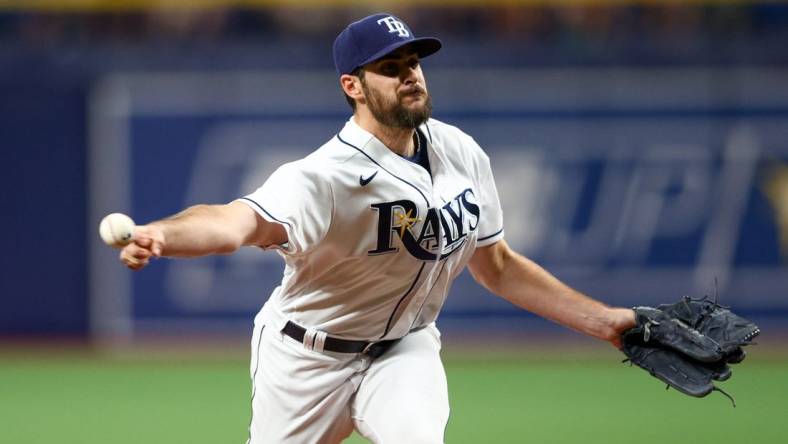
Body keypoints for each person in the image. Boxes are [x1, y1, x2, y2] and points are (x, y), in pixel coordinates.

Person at [119, 13, 636, 444]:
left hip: (404, 348)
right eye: (391, 67)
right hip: (305, 359)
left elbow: (496, 266)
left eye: (413, 62)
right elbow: (236, 222)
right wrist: (163, 235)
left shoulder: (459, 150)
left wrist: (606, 322)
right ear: (353, 86)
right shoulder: (324, 177)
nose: (411, 75)